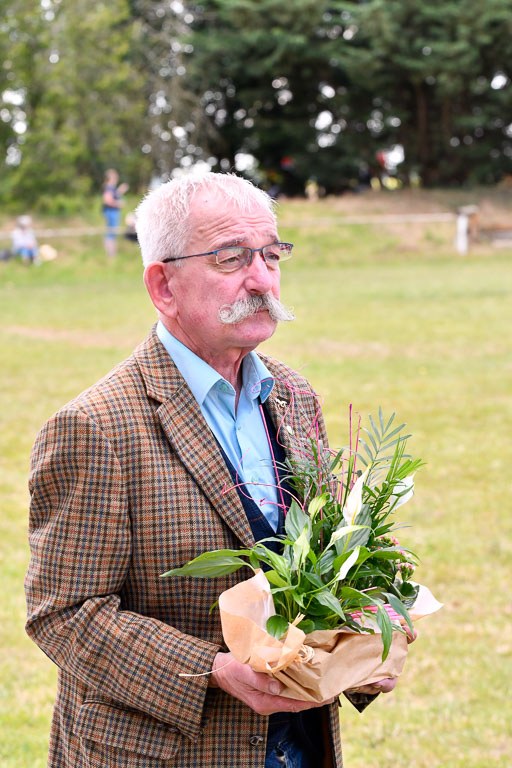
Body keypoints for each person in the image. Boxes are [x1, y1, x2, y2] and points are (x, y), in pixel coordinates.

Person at [26, 172, 407, 768]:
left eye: (272, 254)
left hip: (303, 745)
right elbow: (64, 615)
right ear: (163, 285)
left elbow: (329, 558)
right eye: (231, 259)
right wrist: (212, 670)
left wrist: (365, 631)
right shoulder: (95, 427)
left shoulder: (293, 395)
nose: (261, 279)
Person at [102, 168, 129, 257]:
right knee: (111, 233)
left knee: (112, 232)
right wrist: (118, 204)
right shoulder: (108, 187)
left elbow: (114, 195)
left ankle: (112, 254)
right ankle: (111, 254)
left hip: (112, 212)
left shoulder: (111, 188)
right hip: (111, 212)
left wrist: (120, 191)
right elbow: (108, 200)